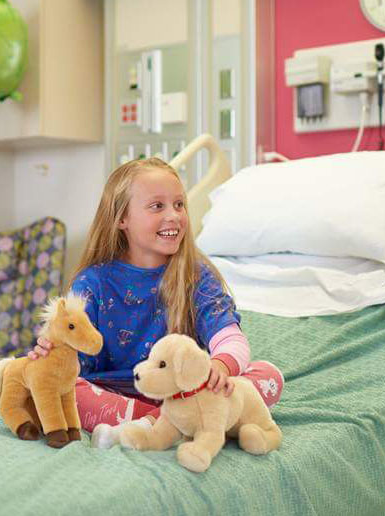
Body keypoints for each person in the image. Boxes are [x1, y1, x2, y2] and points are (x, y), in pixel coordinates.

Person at [28, 157, 283, 448]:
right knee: (64, 388)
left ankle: (159, 426)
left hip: (181, 392)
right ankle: (166, 423)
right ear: (121, 218)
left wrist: (220, 367)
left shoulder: (195, 276)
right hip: (112, 391)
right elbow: (72, 351)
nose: (174, 215)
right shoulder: (93, 283)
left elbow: (231, 340)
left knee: (267, 375)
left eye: (179, 204)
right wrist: (51, 351)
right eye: (157, 206)